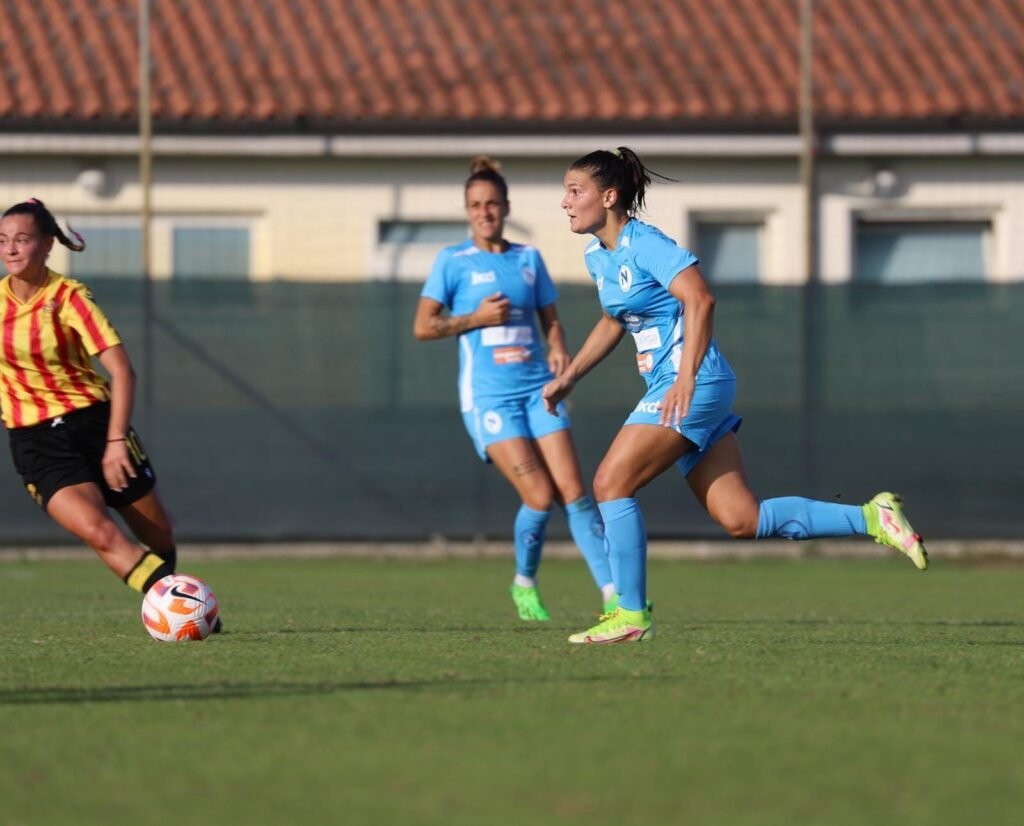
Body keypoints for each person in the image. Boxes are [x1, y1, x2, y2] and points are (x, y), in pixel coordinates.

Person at [542, 147, 927, 644]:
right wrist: (571, 375)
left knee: (610, 484)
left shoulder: (646, 242)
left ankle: (631, 614)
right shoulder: (599, 255)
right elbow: (615, 319)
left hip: (693, 384)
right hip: (686, 386)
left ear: (609, 196)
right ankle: (874, 516)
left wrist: (684, 377)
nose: (565, 202)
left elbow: (700, 297)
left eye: (575, 191)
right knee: (742, 518)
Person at [413, 157, 615, 621]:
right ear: (467, 211)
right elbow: (423, 327)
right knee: (540, 496)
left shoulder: (528, 259)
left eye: (492, 203)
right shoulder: (453, 262)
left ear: (506, 206)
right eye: (475, 205)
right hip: (489, 399)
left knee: (576, 493)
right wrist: (474, 319)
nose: (484, 212)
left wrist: (559, 348)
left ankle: (613, 594)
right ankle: (524, 582)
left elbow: (552, 322)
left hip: (539, 391)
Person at [0, 198, 217, 627]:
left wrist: (116, 442)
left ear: (46, 245)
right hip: (36, 443)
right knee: (100, 532)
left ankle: (178, 605)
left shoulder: (69, 298)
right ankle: (186, 613)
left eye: (22, 240)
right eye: (3, 240)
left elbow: (122, 370)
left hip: (96, 426)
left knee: (158, 538)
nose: (10, 249)